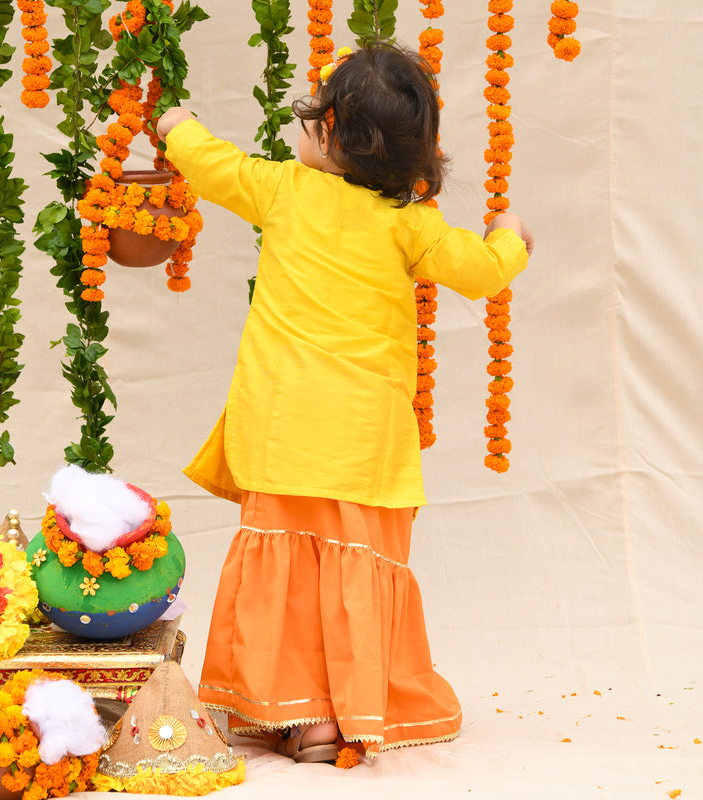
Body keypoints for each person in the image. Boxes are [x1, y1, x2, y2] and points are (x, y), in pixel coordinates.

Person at [156, 42, 533, 763]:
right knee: (353, 561)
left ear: (330, 132)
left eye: (310, 123)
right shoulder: (411, 224)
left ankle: (294, 714)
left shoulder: (282, 191)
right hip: (366, 442)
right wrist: (510, 238)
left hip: (284, 430)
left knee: (287, 570)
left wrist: (175, 123)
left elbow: (210, 165)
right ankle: (344, 711)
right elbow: (483, 273)